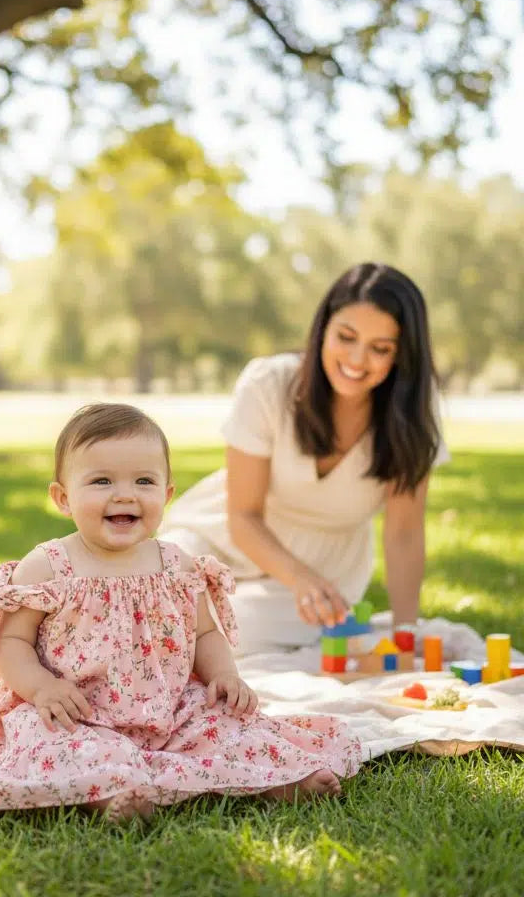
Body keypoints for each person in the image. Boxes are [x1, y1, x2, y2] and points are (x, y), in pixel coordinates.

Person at [0, 403, 361, 819]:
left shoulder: (178, 565)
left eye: (143, 482)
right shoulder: (49, 566)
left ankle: (275, 781)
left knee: (230, 727)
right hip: (75, 711)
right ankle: (107, 794)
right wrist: (42, 689)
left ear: (167, 494)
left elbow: (205, 633)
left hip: (168, 710)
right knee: (61, 747)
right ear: (63, 497)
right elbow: (10, 643)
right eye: (102, 481)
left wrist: (224, 674)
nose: (124, 495)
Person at [162, 262, 447, 656]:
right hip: (223, 536)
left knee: (221, 631)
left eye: (380, 348)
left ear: (402, 355)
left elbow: (404, 533)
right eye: (346, 337)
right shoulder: (268, 384)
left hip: (322, 574)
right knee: (154, 596)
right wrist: (298, 576)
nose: (357, 359)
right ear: (323, 328)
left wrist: (405, 632)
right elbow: (243, 515)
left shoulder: (415, 410)